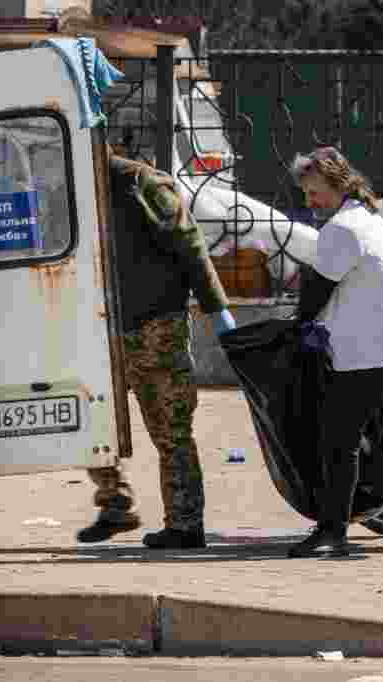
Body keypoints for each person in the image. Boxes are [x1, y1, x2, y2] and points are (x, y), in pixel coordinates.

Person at [76, 147, 236, 548]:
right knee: (91, 422)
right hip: (98, 329)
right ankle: (116, 503)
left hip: (155, 327)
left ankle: (184, 524)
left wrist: (218, 310)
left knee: (170, 429)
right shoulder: (73, 183)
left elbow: (191, 246)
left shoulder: (139, 182)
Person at [287, 146, 383, 558]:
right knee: (345, 434)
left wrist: (296, 329)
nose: (310, 202)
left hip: (370, 350)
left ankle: (335, 531)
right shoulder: (369, 219)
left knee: (338, 439)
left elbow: (316, 291)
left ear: (336, 185)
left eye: (315, 193)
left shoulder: (343, 228)